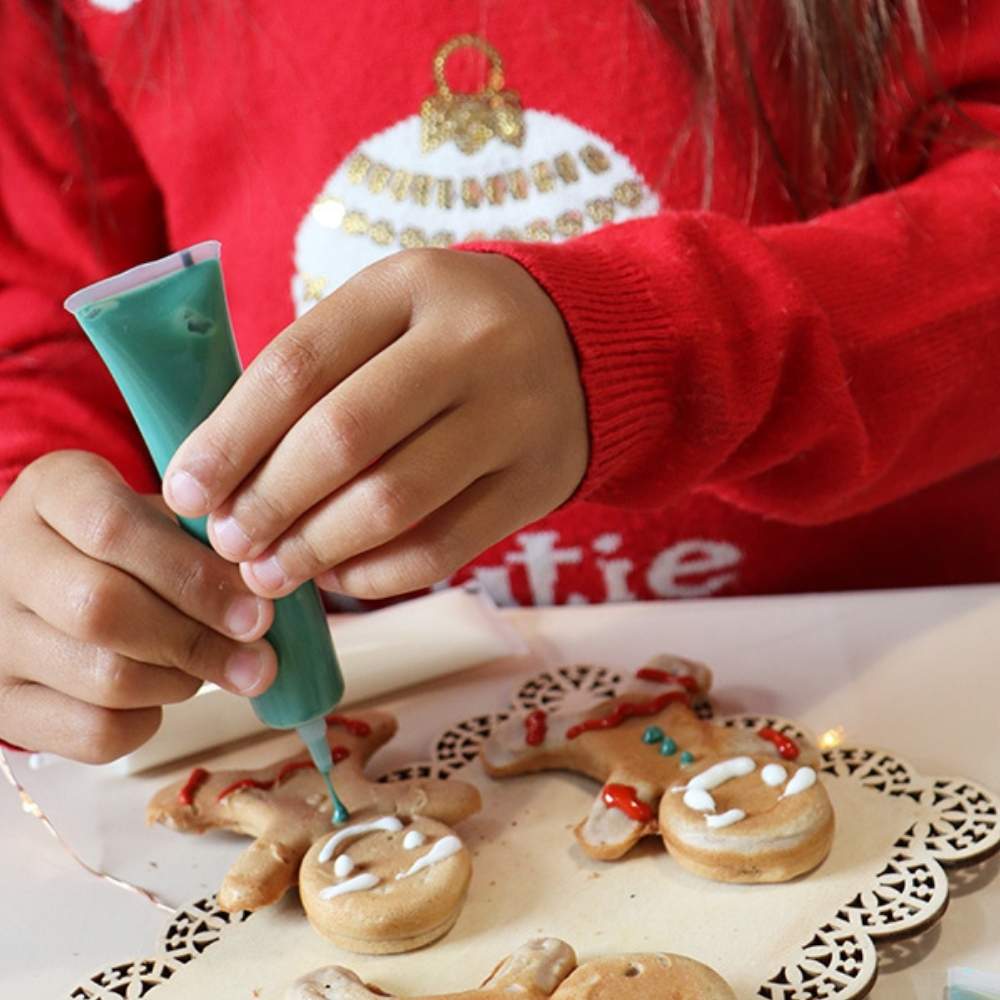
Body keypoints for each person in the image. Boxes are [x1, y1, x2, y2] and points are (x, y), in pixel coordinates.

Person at [1, 0, 998, 762]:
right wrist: (40, 544)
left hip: (888, 696)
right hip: (393, 724)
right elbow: (43, 316)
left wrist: (658, 344)